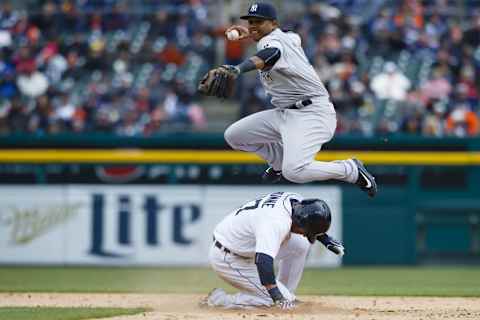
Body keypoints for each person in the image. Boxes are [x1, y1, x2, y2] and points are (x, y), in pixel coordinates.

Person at [221, 3, 377, 197]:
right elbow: (289, 36)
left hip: (312, 113)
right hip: (285, 113)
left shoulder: (272, 43)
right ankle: (277, 161)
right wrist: (252, 33)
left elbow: (272, 54)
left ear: (273, 23)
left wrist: (238, 69)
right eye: (251, 22)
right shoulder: (286, 37)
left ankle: (349, 170)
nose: (253, 25)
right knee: (234, 136)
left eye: (259, 22)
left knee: (294, 171)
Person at [201, 191, 344, 309]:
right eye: (305, 231)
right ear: (300, 221)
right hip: (228, 257)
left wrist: (325, 239)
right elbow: (263, 262)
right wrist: (277, 296)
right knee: (272, 300)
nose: (304, 233)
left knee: (301, 244)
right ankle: (220, 300)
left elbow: (306, 219)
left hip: (245, 245)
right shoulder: (276, 222)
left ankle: (287, 294)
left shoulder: (295, 201)